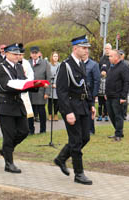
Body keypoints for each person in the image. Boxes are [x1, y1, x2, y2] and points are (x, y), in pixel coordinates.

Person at [54, 35, 96, 185]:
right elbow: (62, 91)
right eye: (84, 48)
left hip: (83, 106)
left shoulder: (82, 64)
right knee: (76, 141)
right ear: (75, 48)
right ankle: (79, 174)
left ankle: (61, 158)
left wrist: (91, 104)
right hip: (72, 107)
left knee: (85, 137)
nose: (86, 51)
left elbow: (85, 86)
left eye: (87, 48)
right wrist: (67, 112)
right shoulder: (66, 66)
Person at [0, 43, 40, 173]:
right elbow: (5, 86)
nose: (17, 56)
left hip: (18, 104)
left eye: (18, 54)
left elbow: (24, 82)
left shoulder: (19, 67)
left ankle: (6, 150)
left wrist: (35, 85)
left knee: (24, 131)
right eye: (14, 54)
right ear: (7, 54)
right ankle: (9, 163)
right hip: (6, 105)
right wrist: (22, 85)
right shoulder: (1, 67)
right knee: (8, 135)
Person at [106, 50, 129, 142]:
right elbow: (109, 81)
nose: (109, 58)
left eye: (111, 56)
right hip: (109, 95)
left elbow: (126, 82)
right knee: (111, 115)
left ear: (116, 57)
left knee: (118, 115)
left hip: (118, 96)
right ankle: (118, 131)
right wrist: (106, 93)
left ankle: (118, 134)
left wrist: (123, 97)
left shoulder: (124, 67)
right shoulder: (111, 67)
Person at [28, 46, 51, 134]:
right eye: (32, 53)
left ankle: (43, 129)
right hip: (30, 91)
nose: (34, 55)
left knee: (41, 111)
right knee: (30, 112)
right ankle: (30, 129)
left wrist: (47, 92)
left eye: (36, 53)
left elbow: (48, 79)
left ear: (39, 53)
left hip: (41, 92)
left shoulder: (45, 63)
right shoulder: (27, 63)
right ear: (30, 54)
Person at [82, 49, 100, 134]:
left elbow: (97, 80)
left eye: (85, 54)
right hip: (81, 92)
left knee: (90, 111)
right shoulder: (79, 64)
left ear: (87, 54)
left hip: (90, 92)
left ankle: (90, 129)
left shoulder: (93, 65)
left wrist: (95, 94)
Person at [48, 51, 60, 121]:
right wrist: (51, 84)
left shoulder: (60, 65)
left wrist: (57, 84)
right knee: (50, 102)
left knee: (57, 102)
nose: (55, 57)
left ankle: (55, 114)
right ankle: (50, 115)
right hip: (50, 86)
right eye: (54, 56)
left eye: (56, 56)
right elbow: (48, 75)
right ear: (52, 57)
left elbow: (61, 76)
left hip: (57, 86)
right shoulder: (48, 65)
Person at [119, 50, 129, 120]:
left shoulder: (126, 63)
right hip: (118, 84)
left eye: (121, 54)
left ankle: (124, 114)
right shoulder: (116, 62)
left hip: (124, 83)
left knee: (124, 100)